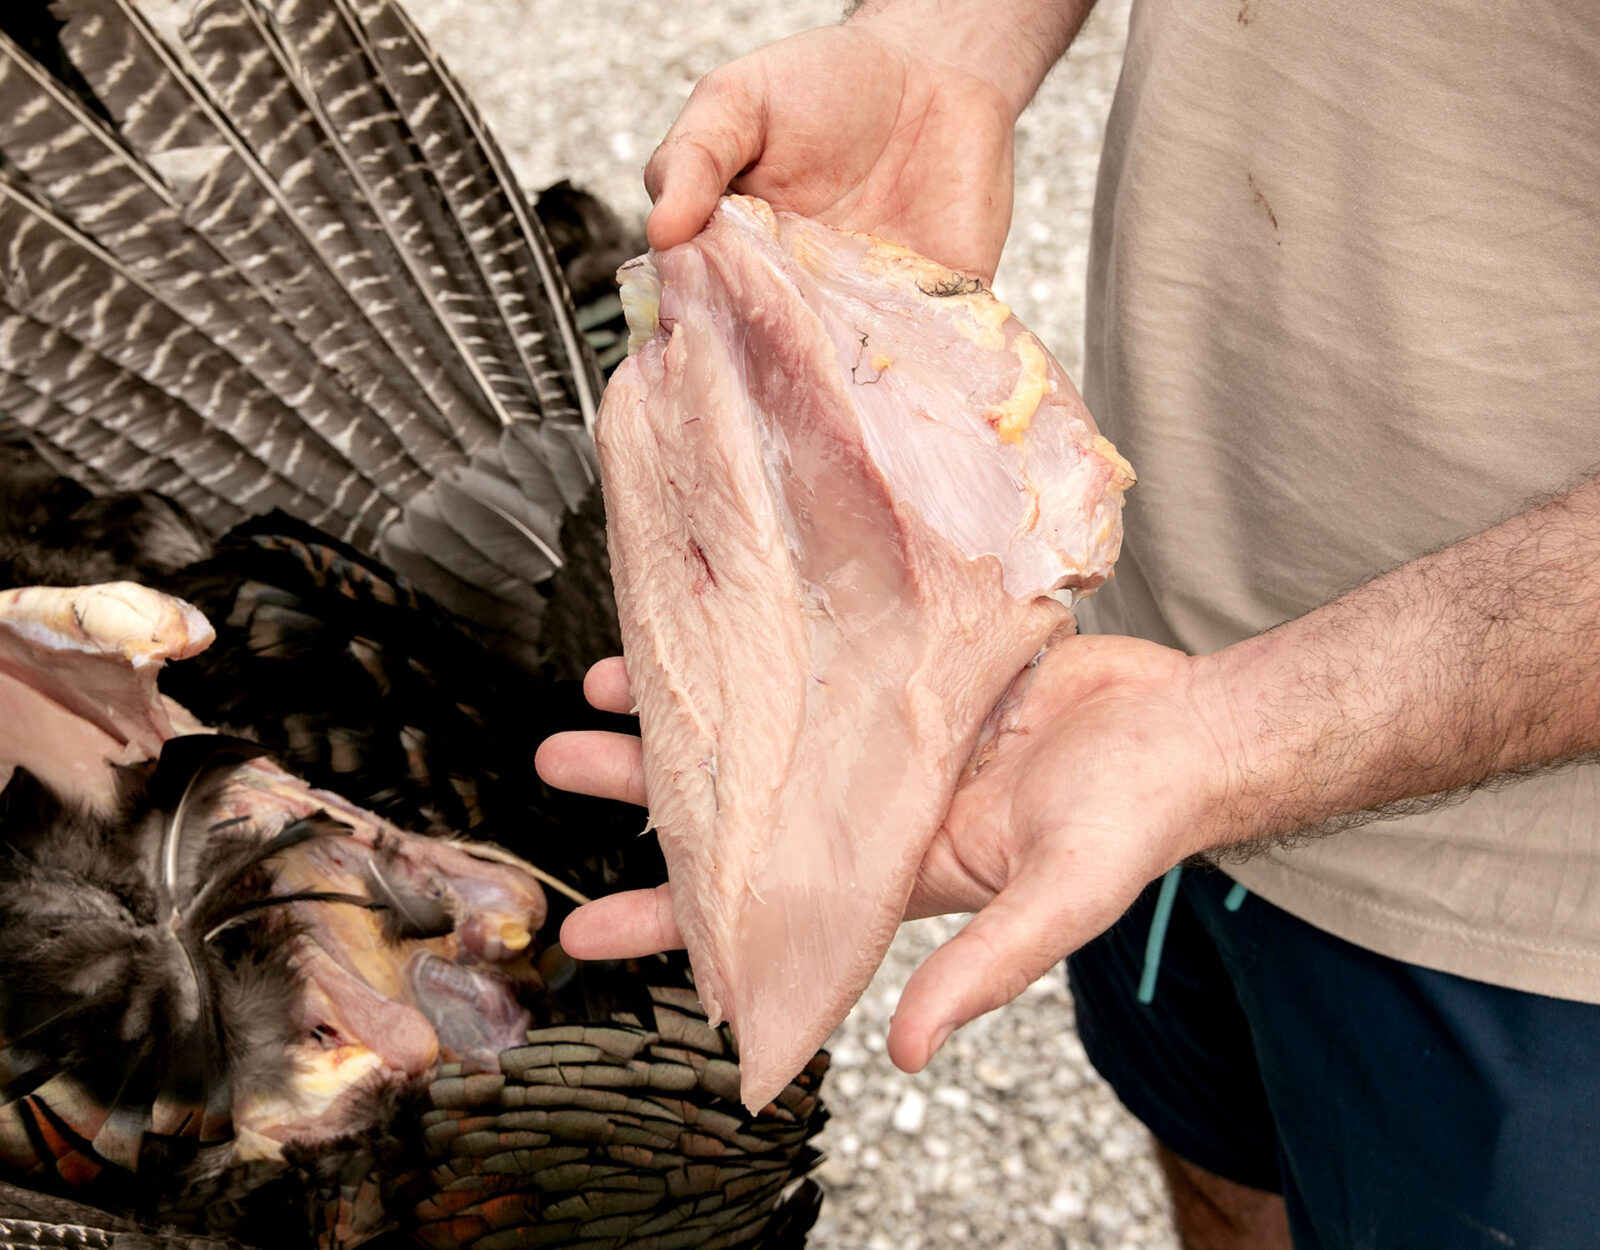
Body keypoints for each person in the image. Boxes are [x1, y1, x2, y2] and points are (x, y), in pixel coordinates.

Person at [534, 1, 1600, 1246]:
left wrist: (1237, 736)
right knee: (1218, 1168)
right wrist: (947, 50)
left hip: (1525, 913)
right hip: (1111, 682)